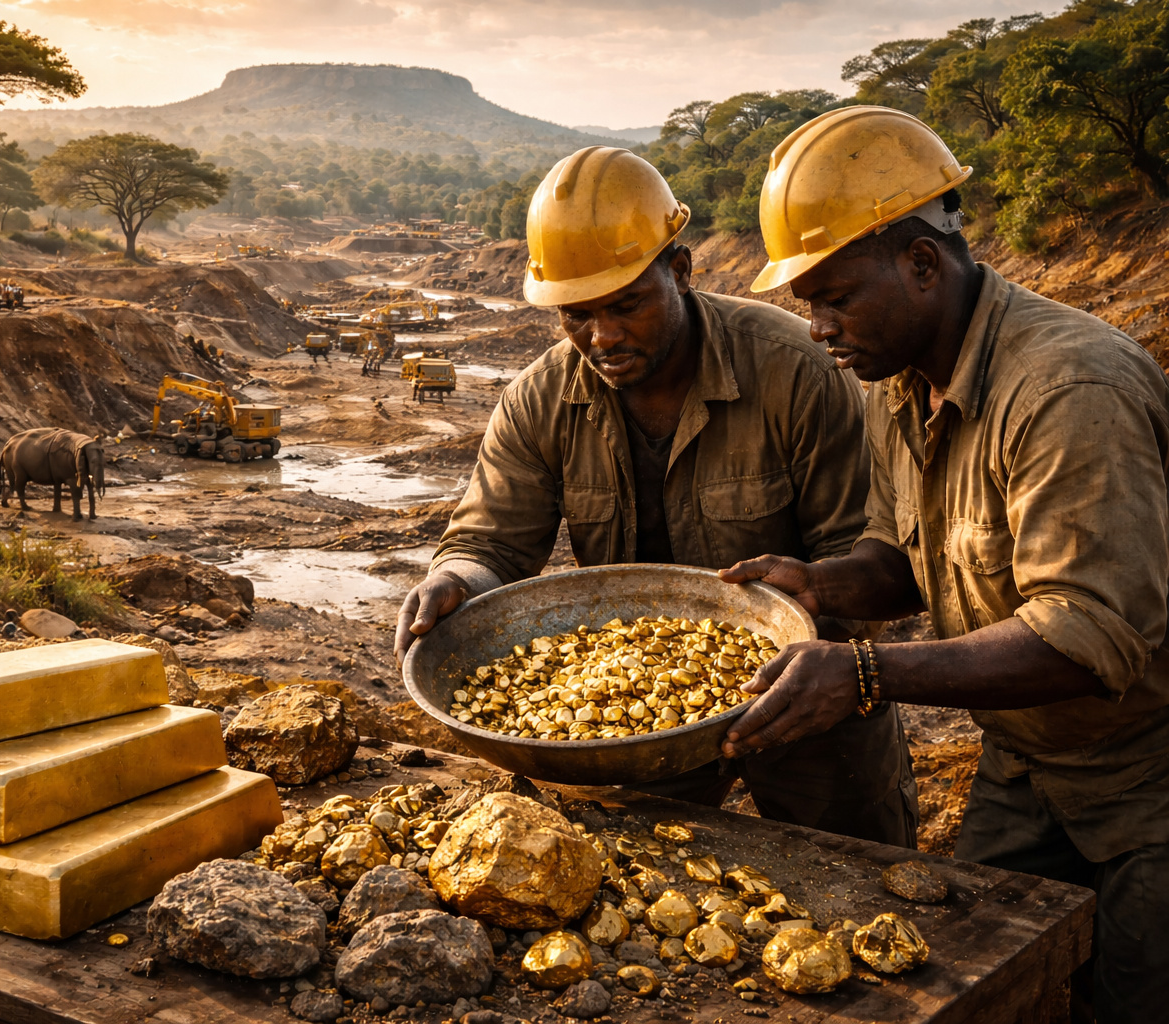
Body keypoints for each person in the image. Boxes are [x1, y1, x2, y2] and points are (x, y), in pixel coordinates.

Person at [719, 106, 1169, 1024]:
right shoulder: (901, 382)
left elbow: (1087, 637)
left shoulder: (1068, 389)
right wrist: (819, 584)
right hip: (1024, 764)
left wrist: (868, 674)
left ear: (922, 263)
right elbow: (907, 560)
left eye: (834, 297)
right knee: (981, 979)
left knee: (1132, 995)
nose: (816, 329)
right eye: (807, 303)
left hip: (1145, 775)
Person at [395, 146, 916, 847]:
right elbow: (491, 540)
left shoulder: (796, 370)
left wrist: (813, 645)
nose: (603, 336)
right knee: (641, 892)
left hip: (806, 698)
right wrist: (453, 581)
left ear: (679, 271)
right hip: (626, 720)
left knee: (862, 872)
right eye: (576, 315)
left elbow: (863, 553)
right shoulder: (539, 398)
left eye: (627, 305)